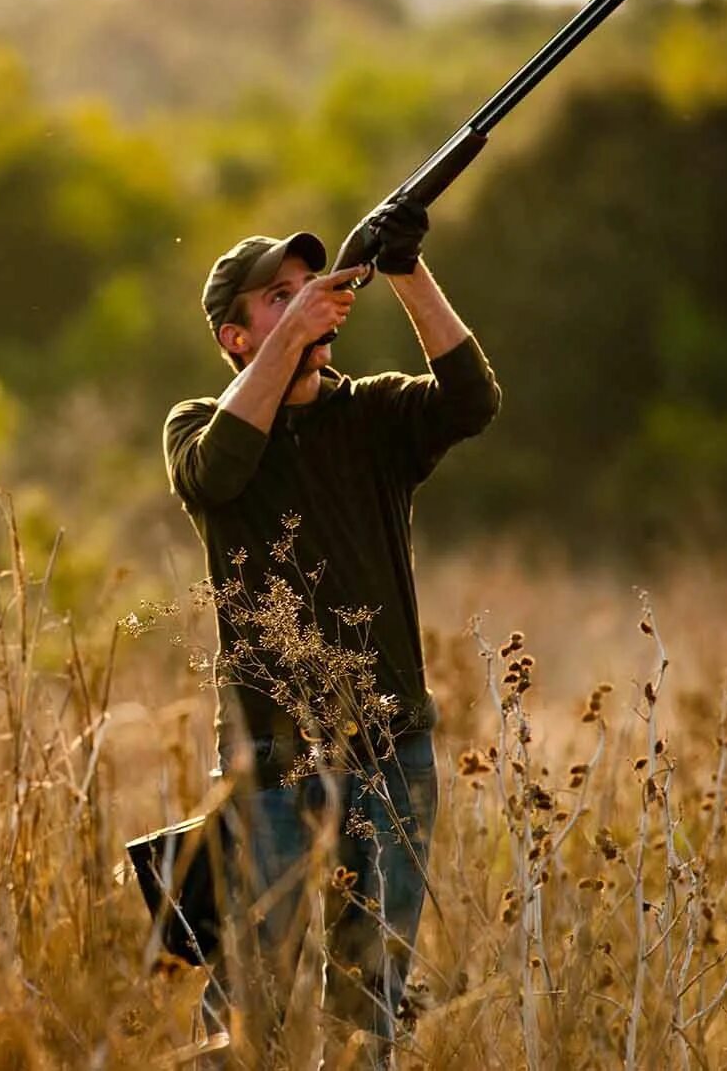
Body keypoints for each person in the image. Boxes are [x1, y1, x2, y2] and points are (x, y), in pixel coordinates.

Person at [162, 199, 499, 1063]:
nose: (308, 302)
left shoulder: (373, 416)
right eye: (279, 296)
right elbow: (219, 474)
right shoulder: (199, 428)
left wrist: (407, 271)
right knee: (249, 1002)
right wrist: (292, 341)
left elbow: (472, 400)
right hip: (270, 764)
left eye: (311, 288)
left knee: (368, 1003)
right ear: (235, 337)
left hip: (391, 751)